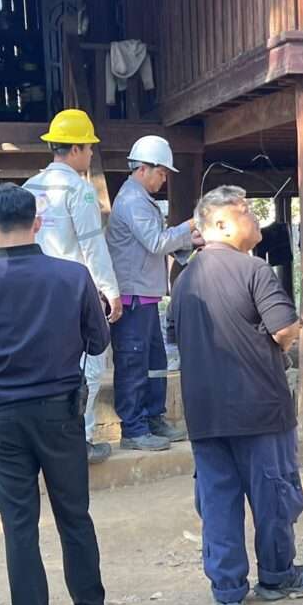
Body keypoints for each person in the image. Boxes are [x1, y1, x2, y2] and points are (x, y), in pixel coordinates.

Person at [0, 183, 112, 605]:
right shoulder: (73, 276)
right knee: (74, 514)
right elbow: (98, 341)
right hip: (60, 411)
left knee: (19, 525)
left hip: (2, 415)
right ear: (37, 223)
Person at [171, 186, 303, 605]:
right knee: (273, 496)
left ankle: (228, 588)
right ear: (219, 224)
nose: (254, 218)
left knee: (217, 500)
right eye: (245, 212)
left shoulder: (183, 279)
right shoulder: (254, 270)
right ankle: (276, 574)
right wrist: (287, 339)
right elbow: (284, 328)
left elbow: (175, 337)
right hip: (260, 407)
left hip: (205, 412)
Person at [23, 109, 120, 465]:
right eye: (89, 147)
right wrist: (110, 290)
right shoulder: (79, 191)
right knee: (89, 367)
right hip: (72, 292)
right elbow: (92, 245)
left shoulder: (29, 188)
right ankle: (82, 439)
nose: (92, 153)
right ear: (76, 149)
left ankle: (45, 442)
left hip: (34, 291)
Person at [105, 136, 202, 451]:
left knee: (154, 362)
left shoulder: (139, 198)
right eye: (161, 173)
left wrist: (188, 242)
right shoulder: (133, 201)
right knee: (133, 363)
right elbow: (157, 242)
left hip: (144, 295)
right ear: (143, 169)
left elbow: (156, 242)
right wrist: (190, 227)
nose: (164, 179)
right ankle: (133, 429)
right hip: (133, 296)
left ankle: (153, 417)